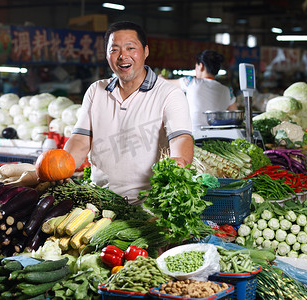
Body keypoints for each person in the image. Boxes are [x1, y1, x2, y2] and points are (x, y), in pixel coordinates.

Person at [62, 21, 194, 205]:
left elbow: (180, 137)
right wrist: (61, 167)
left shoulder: (169, 94)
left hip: (147, 207)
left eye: (131, 48)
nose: (123, 56)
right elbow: (81, 140)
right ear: (107, 54)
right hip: (98, 201)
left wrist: (179, 160)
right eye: (114, 49)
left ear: (146, 51)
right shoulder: (96, 90)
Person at [167, 50, 237, 131]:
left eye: (196, 67)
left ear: (201, 66)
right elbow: (235, 117)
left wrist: (161, 78)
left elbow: (165, 83)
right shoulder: (227, 90)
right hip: (217, 139)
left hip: (192, 137)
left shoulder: (190, 82)